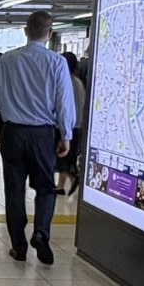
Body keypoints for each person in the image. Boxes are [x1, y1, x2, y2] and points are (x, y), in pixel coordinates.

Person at [0, 11, 76, 265]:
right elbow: (64, 102)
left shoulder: (7, 59)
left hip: (13, 132)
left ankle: (19, 246)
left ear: (25, 31)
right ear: (49, 34)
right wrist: (66, 134)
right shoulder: (57, 62)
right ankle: (41, 232)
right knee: (45, 188)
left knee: (14, 191)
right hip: (42, 134)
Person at [56, 52, 86, 196]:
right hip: (78, 125)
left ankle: (71, 178)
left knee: (62, 156)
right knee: (68, 158)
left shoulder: (65, 82)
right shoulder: (78, 82)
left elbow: (63, 107)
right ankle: (60, 185)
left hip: (68, 125)